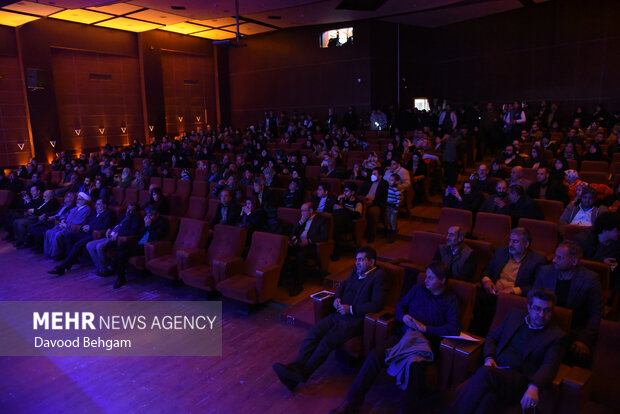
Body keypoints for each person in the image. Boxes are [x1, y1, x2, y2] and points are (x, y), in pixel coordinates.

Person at [329, 262, 461, 414]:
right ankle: (352, 402)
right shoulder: (418, 289)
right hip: (403, 334)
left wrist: (426, 328)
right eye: (426, 277)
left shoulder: (451, 301)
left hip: (425, 342)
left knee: (415, 368)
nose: (426, 281)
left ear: (442, 280)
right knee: (374, 356)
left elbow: (454, 328)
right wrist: (403, 316)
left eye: (431, 278)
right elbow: (400, 306)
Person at [273, 246, 386, 391]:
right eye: (356, 260)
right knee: (314, 331)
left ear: (371, 261)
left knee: (327, 340)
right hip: (338, 313)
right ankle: (296, 366)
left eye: (360, 260)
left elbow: (377, 304)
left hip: (354, 320)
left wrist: (350, 309)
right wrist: (337, 298)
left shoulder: (379, 276)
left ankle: (303, 374)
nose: (356, 263)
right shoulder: (356, 270)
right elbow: (343, 285)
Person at [452, 287, 566, 414]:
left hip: (521, 381)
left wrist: (535, 386)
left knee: (485, 373)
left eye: (547, 310)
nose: (542, 315)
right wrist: (489, 358)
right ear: (529, 307)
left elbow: (550, 365)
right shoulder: (515, 316)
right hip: (497, 372)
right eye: (537, 309)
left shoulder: (556, 335)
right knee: (487, 398)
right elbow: (492, 337)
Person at [534, 241, 604, 365]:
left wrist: (585, 339)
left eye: (559, 257)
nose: (554, 260)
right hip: (544, 324)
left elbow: (596, 314)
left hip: (573, 331)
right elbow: (534, 299)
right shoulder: (544, 272)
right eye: (555, 256)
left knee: (578, 355)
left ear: (574, 261)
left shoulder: (590, 280)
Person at [471, 227, 546, 336]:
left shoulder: (537, 260)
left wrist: (513, 291)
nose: (510, 244)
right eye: (510, 240)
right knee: (474, 299)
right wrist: (487, 281)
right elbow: (487, 270)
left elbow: (537, 286)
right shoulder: (502, 252)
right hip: (492, 292)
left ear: (526, 244)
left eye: (515, 241)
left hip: (513, 298)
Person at [48, 198, 115, 276]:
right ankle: (73, 260)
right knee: (68, 235)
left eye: (98, 204)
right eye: (96, 204)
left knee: (78, 244)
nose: (96, 206)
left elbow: (105, 225)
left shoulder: (108, 213)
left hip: (94, 235)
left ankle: (62, 267)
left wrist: (90, 227)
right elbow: (86, 221)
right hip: (85, 232)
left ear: (104, 205)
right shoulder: (95, 213)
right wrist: (84, 226)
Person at [112, 206, 168, 289]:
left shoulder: (162, 222)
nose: (149, 217)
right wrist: (145, 226)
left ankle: (116, 271)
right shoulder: (148, 221)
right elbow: (139, 234)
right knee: (122, 247)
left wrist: (150, 225)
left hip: (148, 247)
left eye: (151, 215)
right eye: (147, 215)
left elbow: (156, 237)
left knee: (123, 250)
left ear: (157, 214)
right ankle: (118, 273)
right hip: (139, 243)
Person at [283, 202, 329, 296]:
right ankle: (285, 278)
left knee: (301, 255)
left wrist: (309, 241)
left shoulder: (322, 220)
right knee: (284, 250)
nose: (302, 213)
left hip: (311, 246)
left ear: (311, 210)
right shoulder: (303, 219)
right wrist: (294, 237)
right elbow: (293, 232)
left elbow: (324, 236)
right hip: (299, 243)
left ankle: (298, 283)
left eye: (304, 211)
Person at [87, 202, 141, 276]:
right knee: (89, 245)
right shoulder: (124, 215)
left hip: (116, 239)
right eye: (128, 209)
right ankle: (99, 267)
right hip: (109, 236)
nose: (128, 211)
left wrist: (118, 234)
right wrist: (110, 228)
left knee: (99, 246)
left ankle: (105, 269)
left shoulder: (135, 219)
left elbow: (132, 231)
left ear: (135, 212)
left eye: (131, 210)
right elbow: (116, 224)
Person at [44, 191, 92, 260]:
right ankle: (48, 252)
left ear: (85, 201)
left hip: (71, 228)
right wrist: (63, 220)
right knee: (48, 232)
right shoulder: (74, 208)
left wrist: (66, 225)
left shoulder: (87, 210)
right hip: (64, 225)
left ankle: (57, 254)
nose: (77, 201)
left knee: (58, 234)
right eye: (77, 199)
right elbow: (65, 215)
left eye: (79, 199)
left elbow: (78, 222)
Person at [331, 182, 363, 260]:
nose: (344, 193)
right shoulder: (343, 200)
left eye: (347, 191)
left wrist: (343, 209)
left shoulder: (358, 202)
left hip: (350, 224)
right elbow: (334, 208)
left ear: (352, 192)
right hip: (339, 222)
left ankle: (336, 251)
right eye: (344, 191)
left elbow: (357, 215)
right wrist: (337, 200)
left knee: (340, 213)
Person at [359, 168, 388, 243]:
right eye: (372, 174)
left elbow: (384, 198)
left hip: (376, 204)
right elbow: (361, 193)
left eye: (375, 174)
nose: (372, 175)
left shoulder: (384, 184)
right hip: (365, 201)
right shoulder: (368, 182)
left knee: (372, 212)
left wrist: (373, 202)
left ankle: (371, 235)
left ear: (380, 176)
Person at [385, 173, 401, 243]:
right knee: (388, 219)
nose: (390, 181)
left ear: (396, 181)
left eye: (392, 180)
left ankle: (393, 233)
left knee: (392, 220)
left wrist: (396, 208)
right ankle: (392, 230)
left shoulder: (396, 190)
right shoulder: (388, 188)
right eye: (389, 180)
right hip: (388, 206)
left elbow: (398, 199)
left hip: (393, 207)